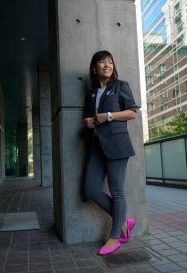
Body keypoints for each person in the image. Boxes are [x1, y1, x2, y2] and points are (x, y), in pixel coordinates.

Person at [83, 50, 137, 255]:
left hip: (117, 144)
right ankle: (124, 221)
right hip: (96, 146)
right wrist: (86, 122)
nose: (107, 65)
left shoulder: (120, 86)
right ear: (94, 68)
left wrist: (109, 116)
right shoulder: (92, 93)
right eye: (102, 62)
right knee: (90, 190)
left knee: (117, 191)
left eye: (110, 62)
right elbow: (89, 118)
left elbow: (132, 112)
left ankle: (115, 237)